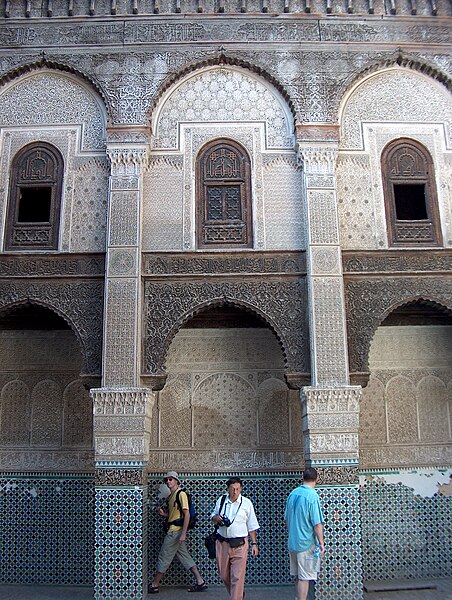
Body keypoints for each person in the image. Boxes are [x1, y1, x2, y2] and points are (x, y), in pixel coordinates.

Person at [150, 471, 208, 594]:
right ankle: (200, 581)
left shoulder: (181, 494)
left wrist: (183, 533)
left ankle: (154, 584)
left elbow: (186, 514)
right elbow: (174, 516)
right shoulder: (171, 497)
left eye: (171, 479)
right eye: (166, 480)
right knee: (185, 557)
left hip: (175, 533)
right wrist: (165, 514)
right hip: (174, 531)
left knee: (164, 556)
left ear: (177, 481)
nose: (168, 482)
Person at [211, 476, 259, 600]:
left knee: (237, 577)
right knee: (224, 575)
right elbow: (212, 516)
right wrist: (216, 518)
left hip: (240, 544)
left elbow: (252, 525)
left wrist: (254, 544)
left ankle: (236, 596)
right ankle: (238, 594)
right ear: (228, 489)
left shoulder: (246, 503)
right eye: (232, 489)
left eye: (238, 489)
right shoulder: (221, 501)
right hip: (223, 543)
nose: (235, 492)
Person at [285, 467, 325, 600]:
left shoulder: (293, 494)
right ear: (316, 480)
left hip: (293, 543)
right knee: (304, 578)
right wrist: (321, 543)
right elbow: (317, 524)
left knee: (297, 576)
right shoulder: (312, 496)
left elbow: (287, 520)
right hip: (305, 543)